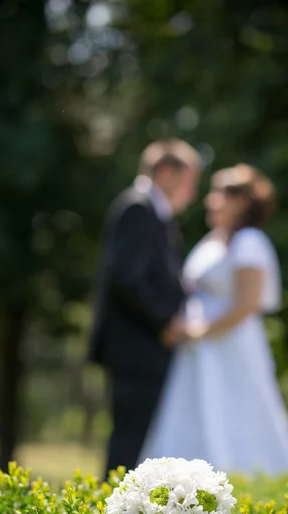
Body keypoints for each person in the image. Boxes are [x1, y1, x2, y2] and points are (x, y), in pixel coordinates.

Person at [140, 164, 288, 476]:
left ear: (242, 202)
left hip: (231, 345)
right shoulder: (213, 240)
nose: (210, 200)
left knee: (237, 411)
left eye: (219, 194)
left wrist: (201, 331)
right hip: (199, 349)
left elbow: (247, 304)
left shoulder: (250, 242)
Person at [88, 139, 201, 477]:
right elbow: (127, 278)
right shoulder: (138, 208)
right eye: (189, 182)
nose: (192, 193)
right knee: (128, 443)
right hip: (136, 349)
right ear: (166, 173)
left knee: (138, 441)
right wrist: (166, 322)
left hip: (144, 349)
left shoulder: (154, 213)